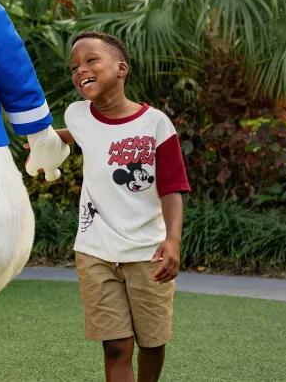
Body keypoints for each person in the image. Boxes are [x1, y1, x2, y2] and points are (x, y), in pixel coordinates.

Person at [53, 31, 190, 382]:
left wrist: (172, 241)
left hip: (148, 251)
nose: (81, 70)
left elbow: (173, 187)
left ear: (121, 68)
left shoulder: (155, 124)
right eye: (74, 67)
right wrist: (44, 145)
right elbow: (73, 134)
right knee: (115, 347)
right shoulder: (78, 115)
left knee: (152, 344)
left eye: (91, 60)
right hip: (94, 250)